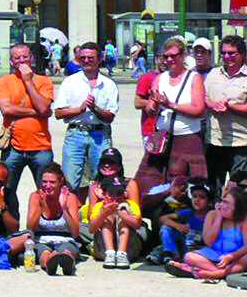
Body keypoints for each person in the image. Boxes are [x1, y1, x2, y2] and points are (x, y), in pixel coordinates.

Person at [134, 36, 207, 201]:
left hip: (187, 138)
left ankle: (185, 221)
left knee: (184, 185)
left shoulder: (194, 78)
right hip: (161, 138)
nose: (169, 60)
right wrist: (152, 105)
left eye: (173, 56)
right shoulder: (160, 78)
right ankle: (156, 219)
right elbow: (151, 109)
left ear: (182, 56)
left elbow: (198, 109)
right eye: (166, 56)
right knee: (149, 181)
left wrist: (170, 104)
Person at [52, 41, 119, 190]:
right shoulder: (70, 82)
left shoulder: (109, 85)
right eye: (83, 58)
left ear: (100, 59)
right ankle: (71, 211)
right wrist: (80, 109)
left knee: (103, 180)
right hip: (76, 133)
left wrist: (95, 109)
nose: (86, 61)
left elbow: (110, 117)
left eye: (91, 58)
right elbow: (58, 113)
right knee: (70, 180)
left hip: (100, 134)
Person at [0, 44, 54, 194]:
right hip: (13, 147)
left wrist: (28, 81)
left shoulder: (44, 81)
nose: (22, 61)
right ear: (11, 62)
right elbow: (6, 110)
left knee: (46, 192)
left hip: (41, 148)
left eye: (25, 57)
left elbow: (43, 107)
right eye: (17, 58)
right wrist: (37, 113)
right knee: (7, 192)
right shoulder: (5, 82)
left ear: (32, 59)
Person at [166, 185, 247, 280]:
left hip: (235, 258)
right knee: (189, 257)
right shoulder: (212, 215)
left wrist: (230, 257)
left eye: (228, 205)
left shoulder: (243, 220)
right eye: (223, 202)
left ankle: (203, 272)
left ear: (237, 208)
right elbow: (208, 241)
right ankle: (219, 273)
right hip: (214, 255)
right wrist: (218, 217)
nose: (224, 206)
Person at [204, 35, 247, 189]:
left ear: (242, 54)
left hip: (240, 144)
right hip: (215, 142)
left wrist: (231, 107)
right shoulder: (213, 74)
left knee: (240, 191)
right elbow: (203, 98)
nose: (227, 57)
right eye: (224, 53)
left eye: (231, 53)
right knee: (214, 188)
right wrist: (212, 105)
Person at [27, 162, 81, 275]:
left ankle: (67, 264)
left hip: (66, 239)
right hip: (41, 240)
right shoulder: (35, 196)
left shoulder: (70, 198)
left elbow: (75, 233)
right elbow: (30, 228)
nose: (47, 186)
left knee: (66, 251)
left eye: (52, 182)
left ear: (61, 182)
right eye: (44, 182)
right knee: (44, 253)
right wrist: (40, 207)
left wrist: (64, 208)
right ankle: (50, 264)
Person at [84, 169, 143, 268]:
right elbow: (91, 229)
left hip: (129, 250)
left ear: (124, 194)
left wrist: (121, 213)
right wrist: (104, 213)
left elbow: (137, 224)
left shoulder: (130, 205)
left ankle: (122, 254)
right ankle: (110, 253)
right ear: (104, 194)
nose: (115, 198)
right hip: (103, 250)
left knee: (124, 211)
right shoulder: (99, 206)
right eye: (111, 194)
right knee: (108, 217)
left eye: (118, 194)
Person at [154, 179, 213, 263]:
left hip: (201, 248)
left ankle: (162, 253)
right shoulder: (189, 212)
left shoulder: (212, 216)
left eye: (202, 197)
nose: (197, 200)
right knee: (166, 228)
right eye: (194, 196)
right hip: (185, 245)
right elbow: (163, 218)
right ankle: (171, 255)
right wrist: (178, 226)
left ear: (209, 202)